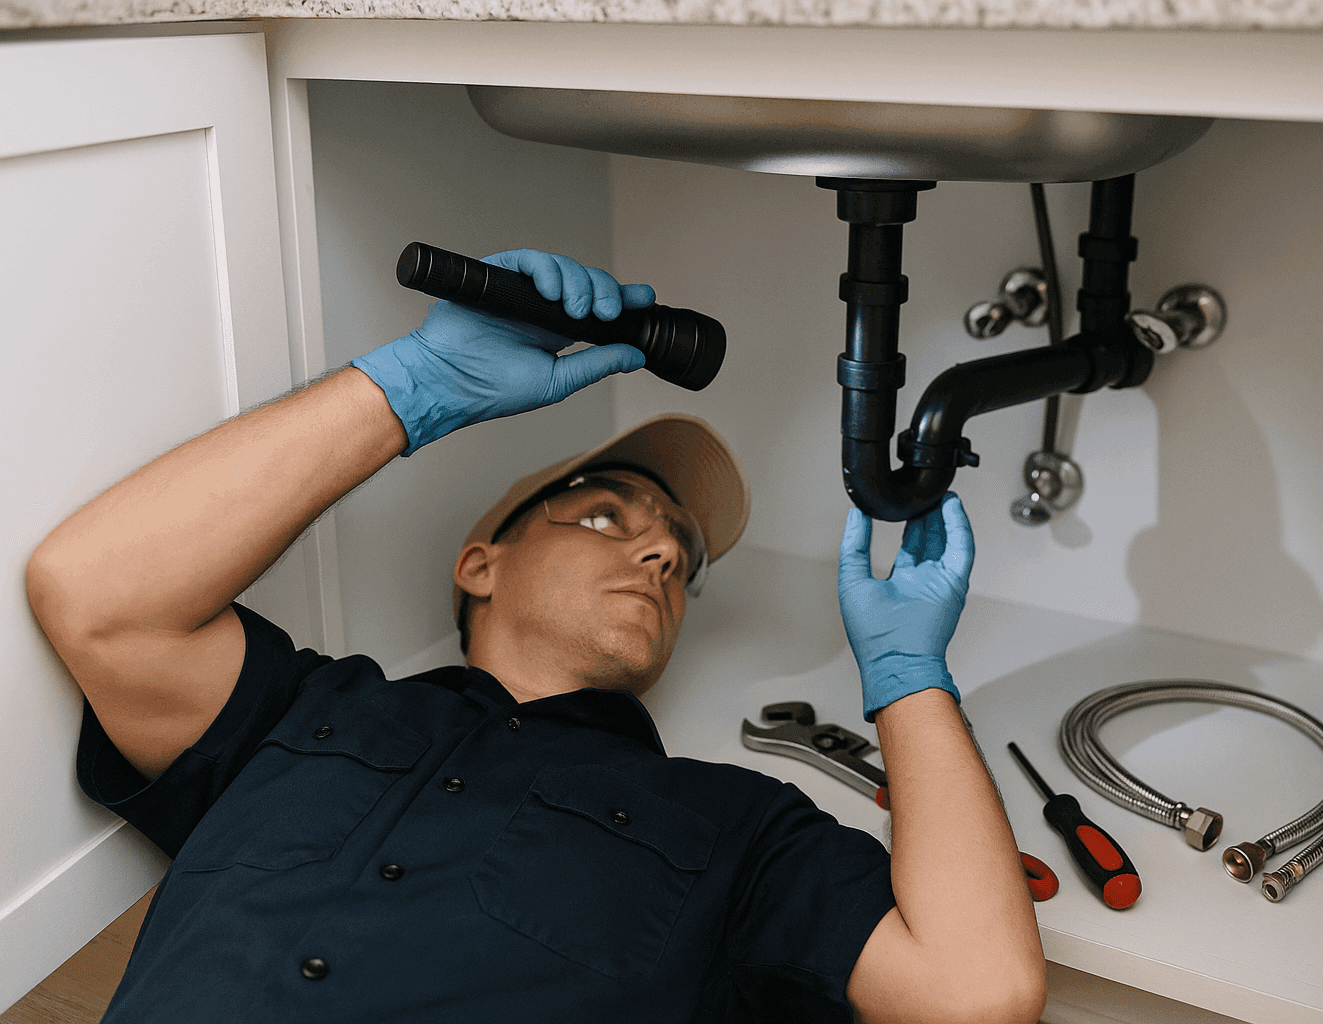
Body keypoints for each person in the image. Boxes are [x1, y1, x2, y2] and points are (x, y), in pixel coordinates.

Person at [26, 248, 1046, 1023]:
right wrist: (414, 384)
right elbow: (95, 594)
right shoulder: (304, 711)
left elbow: (976, 991)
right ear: (482, 562)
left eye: (681, 558)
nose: (660, 552)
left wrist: (909, 675)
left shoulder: (737, 829)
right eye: (606, 514)